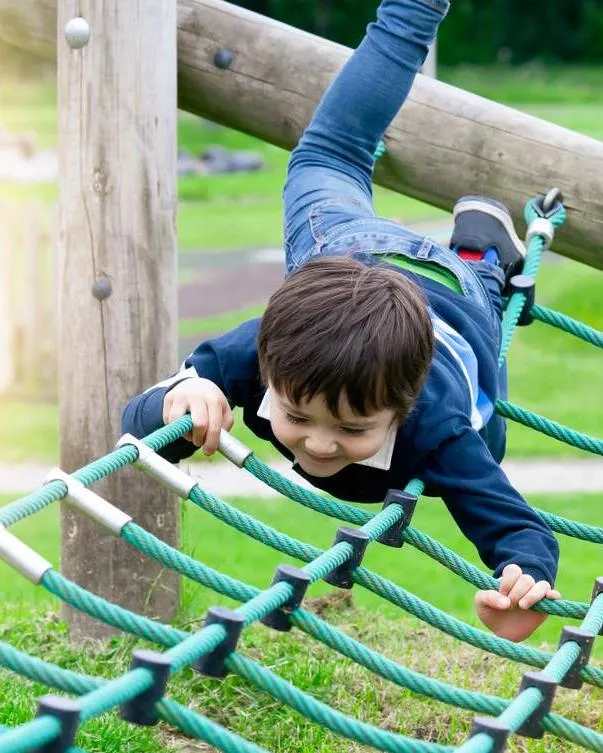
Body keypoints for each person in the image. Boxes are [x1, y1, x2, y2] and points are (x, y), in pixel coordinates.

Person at [122, 0, 560, 642]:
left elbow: (517, 528)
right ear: (267, 370)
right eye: (297, 415)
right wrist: (178, 395)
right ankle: (412, 14)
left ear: (403, 407)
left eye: (353, 428)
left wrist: (524, 579)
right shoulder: (248, 357)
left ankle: (482, 256)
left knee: (488, 425)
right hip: (345, 254)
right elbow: (136, 428)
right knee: (330, 152)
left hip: (450, 298)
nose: (320, 444)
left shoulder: (437, 431)